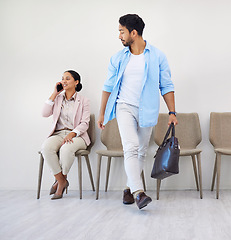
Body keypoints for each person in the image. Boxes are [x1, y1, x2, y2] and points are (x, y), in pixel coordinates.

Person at [98, 14, 178, 209]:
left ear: (134, 33)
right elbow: (108, 87)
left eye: (121, 31)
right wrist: (102, 113)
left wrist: (172, 112)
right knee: (131, 146)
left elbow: (166, 86)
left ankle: (128, 188)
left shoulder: (157, 56)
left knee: (141, 151)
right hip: (123, 106)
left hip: (147, 110)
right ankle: (139, 193)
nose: (119, 36)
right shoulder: (117, 58)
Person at [41, 70, 90, 200]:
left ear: (76, 82)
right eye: (63, 78)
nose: (64, 81)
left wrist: (73, 133)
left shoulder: (84, 101)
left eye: (67, 78)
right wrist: (54, 93)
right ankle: (61, 181)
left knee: (66, 149)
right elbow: (44, 113)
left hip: (78, 136)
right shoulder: (57, 99)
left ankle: (61, 182)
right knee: (46, 148)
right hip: (58, 134)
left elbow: (85, 123)